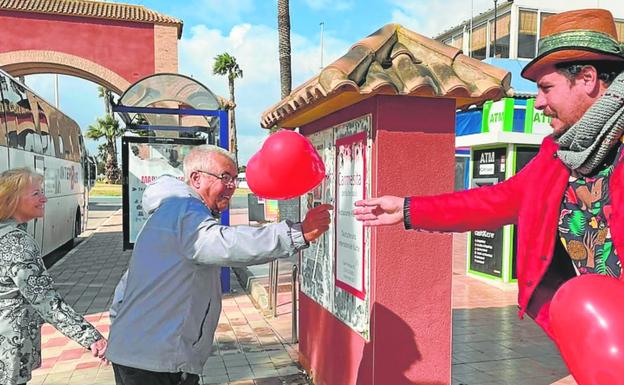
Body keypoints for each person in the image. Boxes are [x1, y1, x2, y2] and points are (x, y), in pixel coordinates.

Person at [353, 8, 624, 339]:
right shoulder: (556, 155)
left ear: (587, 79)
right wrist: (409, 209)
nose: (538, 103)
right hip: (594, 336)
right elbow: (495, 201)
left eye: (546, 87)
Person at [106, 144, 332, 385]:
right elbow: (225, 244)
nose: (233, 186)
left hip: (140, 354)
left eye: (235, 178)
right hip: (155, 362)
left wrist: (120, 333)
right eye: (225, 177)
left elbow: (127, 286)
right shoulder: (183, 209)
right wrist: (297, 233)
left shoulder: (167, 212)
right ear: (196, 178)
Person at [0, 168, 107, 385]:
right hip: (7, 351)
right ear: (12, 200)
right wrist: (91, 338)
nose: (44, 198)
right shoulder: (17, 242)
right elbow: (46, 301)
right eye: (36, 194)